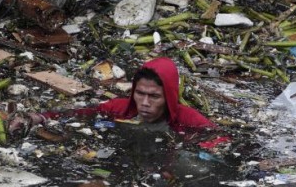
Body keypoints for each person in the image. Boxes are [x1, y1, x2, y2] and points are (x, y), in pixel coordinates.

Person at [34, 57, 217, 133]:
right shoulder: (120, 109)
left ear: (168, 96)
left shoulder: (188, 120)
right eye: (139, 93)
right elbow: (81, 113)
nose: (144, 103)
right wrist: (39, 117)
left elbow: (218, 138)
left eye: (154, 96)